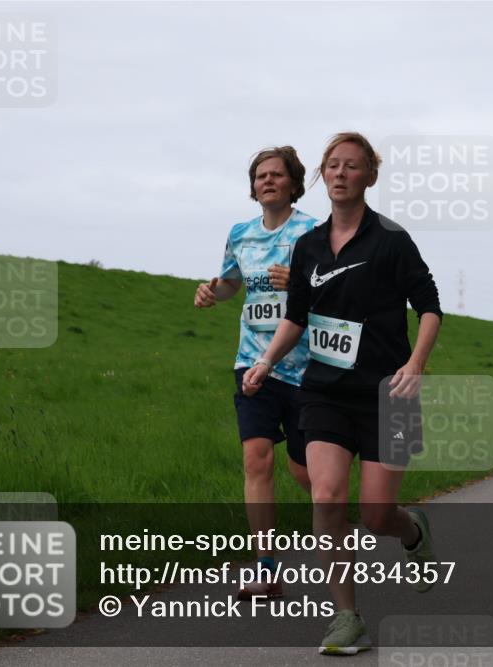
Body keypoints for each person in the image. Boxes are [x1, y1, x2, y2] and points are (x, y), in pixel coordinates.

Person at [243, 132, 442, 655]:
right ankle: (346, 617)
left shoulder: (392, 239)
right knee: (327, 496)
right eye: (331, 165)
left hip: (388, 394)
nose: (339, 173)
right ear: (322, 176)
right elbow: (296, 318)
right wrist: (266, 361)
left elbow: (429, 305)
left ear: (369, 176)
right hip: (324, 392)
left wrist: (415, 363)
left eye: (352, 166)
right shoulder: (307, 246)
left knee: (377, 516)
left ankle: (412, 531)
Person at [194, 146, 317, 599]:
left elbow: (337, 286)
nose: (267, 181)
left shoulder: (312, 231)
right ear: (253, 186)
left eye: (276, 175)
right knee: (256, 459)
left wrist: (302, 281)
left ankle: (340, 527)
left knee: (306, 472)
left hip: (306, 368)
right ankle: (265, 569)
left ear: (292, 183)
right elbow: (231, 281)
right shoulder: (240, 234)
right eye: (260, 176)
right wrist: (212, 291)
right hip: (252, 363)